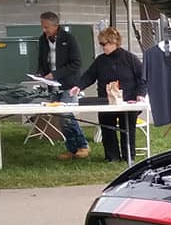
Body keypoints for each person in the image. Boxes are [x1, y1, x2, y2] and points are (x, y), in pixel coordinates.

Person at [72, 27, 146, 163]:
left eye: (104, 44)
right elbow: (89, 76)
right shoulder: (100, 60)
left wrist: (140, 95)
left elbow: (143, 78)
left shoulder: (130, 58)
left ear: (114, 43)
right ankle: (112, 156)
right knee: (107, 128)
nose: (102, 47)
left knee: (127, 129)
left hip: (127, 102)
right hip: (106, 101)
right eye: (100, 44)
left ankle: (128, 156)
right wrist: (78, 86)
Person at [36, 11, 89, 160]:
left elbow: (76, 63)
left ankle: (82, 146)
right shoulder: (42, 40)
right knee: (60, 117)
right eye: (43, 26)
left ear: (56, 25)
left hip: (69, 84)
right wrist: (40, 74)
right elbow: (42, 61)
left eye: (47, 27)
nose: (44, 30)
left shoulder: (69, 39)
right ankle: (72, 149)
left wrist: (56, 73)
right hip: (52, 84)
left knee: (67, 115)